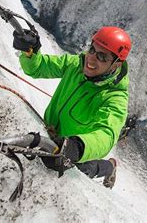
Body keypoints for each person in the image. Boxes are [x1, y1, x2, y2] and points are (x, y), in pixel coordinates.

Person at [12, 26, 131, 189]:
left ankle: (110, 167)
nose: (91, 58)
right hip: (51, 133)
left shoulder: (114, 97)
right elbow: (38, 68)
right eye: (92, 50)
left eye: (102, 56)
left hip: (76, 149)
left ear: (116, 65)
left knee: (85, 169)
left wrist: (78, 147)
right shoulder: (76, 65)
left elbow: (107, 134)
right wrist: (30, 52)